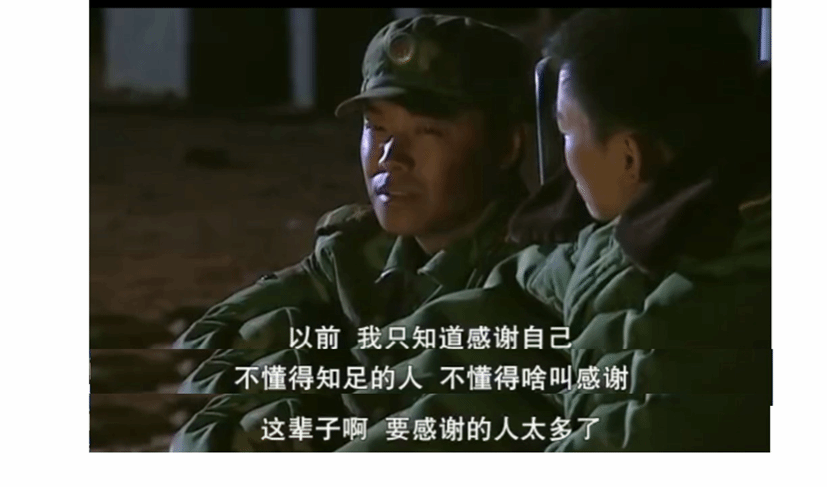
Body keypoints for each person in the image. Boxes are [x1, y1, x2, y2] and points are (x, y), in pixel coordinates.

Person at [336, 8, 772, 452]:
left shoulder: (699, 303)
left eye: (566, 131)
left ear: (628, 157)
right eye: (377, 128)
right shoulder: (643, 226)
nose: (563, 162)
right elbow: (522, 286)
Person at [170, 14, 546, 452]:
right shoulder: (359, 255)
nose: (391, 156)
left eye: (428, 131)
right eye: (377, 127)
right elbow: (201, 354)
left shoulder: (538, 281)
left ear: (507, 146)